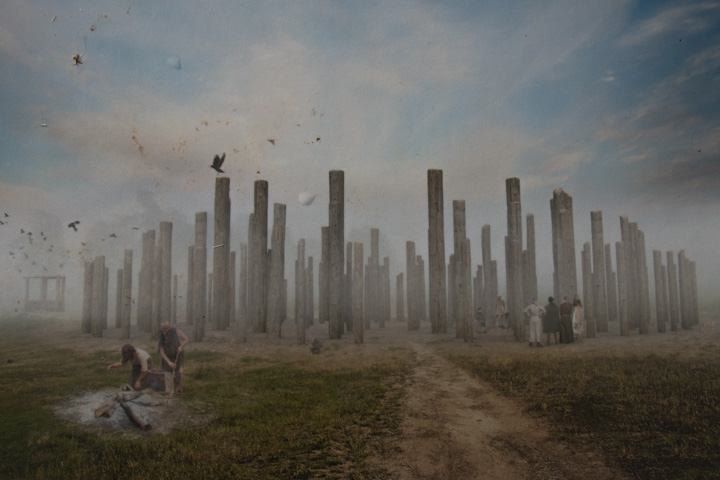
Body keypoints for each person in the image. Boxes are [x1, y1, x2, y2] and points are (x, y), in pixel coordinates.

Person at [158, 321, 189, 397]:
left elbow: (186, 339)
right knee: (167, 374)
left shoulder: (176, 331)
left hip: (178, 355)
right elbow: (161, 351)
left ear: (169, 329)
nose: (164, 332)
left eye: (165, 331)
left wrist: (181, 346)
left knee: (179, 372)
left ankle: (178, 390)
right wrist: (169, 362)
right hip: (167, 356)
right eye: (162, 330)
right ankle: (169, 392)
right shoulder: (161, 335)